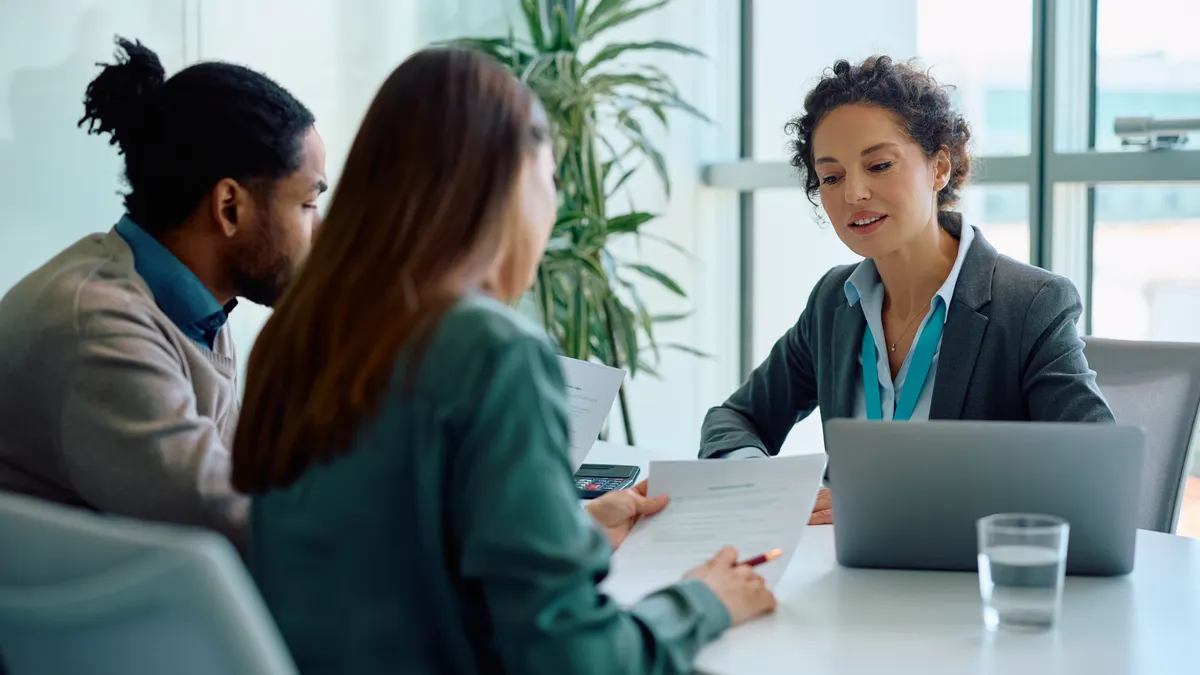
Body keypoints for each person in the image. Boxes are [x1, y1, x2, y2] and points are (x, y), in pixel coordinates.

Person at [231, 47, 776, 675]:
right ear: (508, 185)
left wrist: (570, 532)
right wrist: (700, 602)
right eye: (550, 181)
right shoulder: (491, 351)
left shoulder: (298, 336)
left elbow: (390, 562)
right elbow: (574, 658)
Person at [698, 56, 1114, 524]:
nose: (853, 193)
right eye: (831, 177)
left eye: (878, 165)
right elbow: (734, 420)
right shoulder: (835, 301)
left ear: (939, 168)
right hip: (847, 569)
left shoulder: (1030, 304)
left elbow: (1095, 476)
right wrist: (762, 482)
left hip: (961, 580)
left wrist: (897, 505)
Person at [0, 37, 326, 551]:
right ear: (230, 208)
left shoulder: (195, 312)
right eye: (307, 204)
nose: (321, 231)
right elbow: (222, 518)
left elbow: (240, 473)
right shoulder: (98, 325)